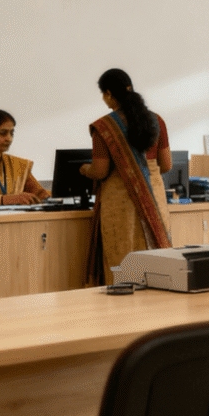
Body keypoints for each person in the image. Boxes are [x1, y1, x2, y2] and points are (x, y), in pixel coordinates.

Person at [79, 68, 172, 285]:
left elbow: (100, 171)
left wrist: (84, 170)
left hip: (120, 201)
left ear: (109, 93)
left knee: (123, 250)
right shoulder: (156, 120)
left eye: (104, 94)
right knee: (155, 251)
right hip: (154, 197)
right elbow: (166, 165)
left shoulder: (104, 127)